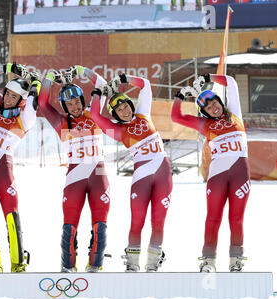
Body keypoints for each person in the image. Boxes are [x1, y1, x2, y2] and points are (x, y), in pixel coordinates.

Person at [90, 74, 172, 272]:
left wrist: (124, 79)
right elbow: (94, 115)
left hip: (163, 175)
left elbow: (145, 85)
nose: (125, 111)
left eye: (126, 106)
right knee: (137, 220)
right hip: (141, 178)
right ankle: (132, 263)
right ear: (115, 115)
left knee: (158, 220)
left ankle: (152, 263)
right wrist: (98, 94)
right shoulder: (117, 130)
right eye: (119, 110)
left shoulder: (144, 114)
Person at [172, 74, 250, 272]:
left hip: (240, 174)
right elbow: (176, 117)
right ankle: (208, 261)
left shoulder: (235, 114)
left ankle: (236, 260)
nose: (213, 107)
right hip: (217, 176)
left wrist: (207, 77)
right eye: (208, 107)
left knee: (236, 219)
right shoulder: (204, 125)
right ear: (204, 112)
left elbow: (231, 81)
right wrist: (179, 96)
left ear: (220, 102)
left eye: (215, 102)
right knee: (213, 218)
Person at [39, 65, 110, 273]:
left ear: (82, 100)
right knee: (69, 226)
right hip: (75, 179)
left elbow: (103, 86)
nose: (75, 106)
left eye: (77, 102)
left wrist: (82, 70)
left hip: (98, 176)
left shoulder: (93, 114)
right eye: (69, 104)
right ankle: (68, 266)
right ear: (64, 106)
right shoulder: (62, 123)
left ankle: (95, 266)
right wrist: (50, 76)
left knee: (100, 225)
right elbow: (43, 102)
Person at [0, 62, 40, 273]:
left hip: (4, 170)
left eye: (14, 97)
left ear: (21, 100)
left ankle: (17, 263)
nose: (8, 98)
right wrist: (9, 67)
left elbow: (34, 100)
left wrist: (35, 83)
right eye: (8, 93)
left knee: (11, 215)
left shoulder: (25, 117)